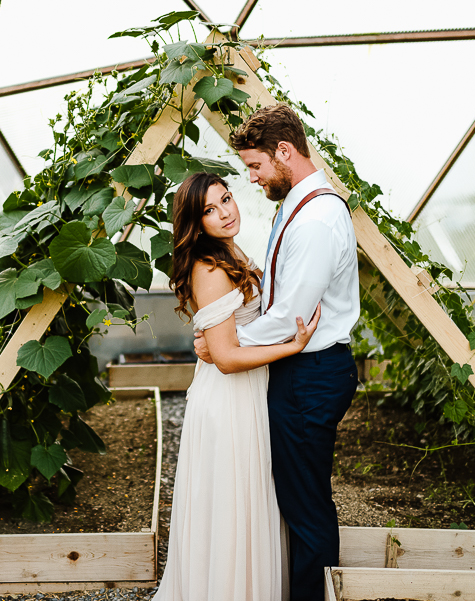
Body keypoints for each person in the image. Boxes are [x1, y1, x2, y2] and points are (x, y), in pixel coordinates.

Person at [194, 104, 359, 601]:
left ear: (284, 152)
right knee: (295, 497)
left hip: (310, 372)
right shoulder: (298, 205)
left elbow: (289, 315)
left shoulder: (315, 219)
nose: (253, 177)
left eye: (256, 166)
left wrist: (223, 343)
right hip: (297, 367)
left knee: (306, 505)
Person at [153, 172, 320, 601]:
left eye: (226, 199)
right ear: (196, 221)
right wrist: (293, 345)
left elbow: (227, 337)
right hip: (228, 401)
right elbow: (225, 358)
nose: (225, 212)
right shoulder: (208, 266)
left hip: (247, 392)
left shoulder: (230, 249)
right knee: (233, 506)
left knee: (248, 503)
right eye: (210, 209)